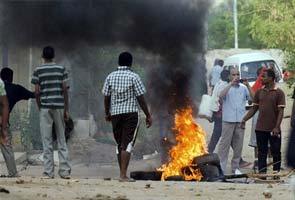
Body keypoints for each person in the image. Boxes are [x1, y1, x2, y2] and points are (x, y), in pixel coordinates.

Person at [102, 51, 152, 182]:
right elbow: (140, 97)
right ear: (130, 63)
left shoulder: (110, 77)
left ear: (119, 62)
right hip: (130, 114)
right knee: (127, 143)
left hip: (116, 114)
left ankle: (122, 173)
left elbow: (106, 96)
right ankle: (123, 175)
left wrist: (107, 112)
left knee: (119, 143)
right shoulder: (134, 77)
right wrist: (148, 115)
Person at [31, 46, 71, 179]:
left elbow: (36, 92)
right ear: (54, 56)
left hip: (45, 107)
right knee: (61, 139)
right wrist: (66, 109)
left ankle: (48, 172)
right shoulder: (61, 69)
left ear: (43, 56)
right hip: (59, 106)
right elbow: (65, 90)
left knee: (46, 140)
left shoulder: (38, 70)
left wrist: (39, 106)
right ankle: (64, 172)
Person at [241, 69, 285, 178]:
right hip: (260, 128)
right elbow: (254, 108)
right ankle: (262, 174)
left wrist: (276, 127)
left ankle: (276, 173)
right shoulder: (259, 92)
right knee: (261, 152)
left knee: (275, 152)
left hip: (273, 129)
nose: (261, 78)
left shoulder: (279, 92)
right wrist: (244, 119)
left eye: (264, 76)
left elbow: (281, 112)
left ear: (271, 78)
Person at [217, 67, 254, 175]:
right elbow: (221, 96)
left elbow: (253, 99)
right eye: (233, 75)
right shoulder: (224, 86)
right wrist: (230, 84)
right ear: (229, 76)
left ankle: (235, 167)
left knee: (238, 145)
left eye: (238, 74)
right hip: (228, 120)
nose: (236, 77)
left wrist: (248, 85)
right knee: (224, 145)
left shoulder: (243, 88)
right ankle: (221, 167)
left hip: (240, 121)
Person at [0, 67, 35, 177]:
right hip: (2, 121)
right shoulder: (16, 89)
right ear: (11, 77)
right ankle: (13, 173)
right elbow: (33, 94)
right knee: (7, 147)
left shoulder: (2, 86)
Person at [208, 69, 230, 153]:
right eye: (231, 75)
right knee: (219, 134)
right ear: (227, 76)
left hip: (218, 113)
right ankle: (209, 151)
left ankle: (209, 150)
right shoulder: (224, 85)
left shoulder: (218, 83)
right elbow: (221, 99)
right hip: (220, 114)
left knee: (220, 134)